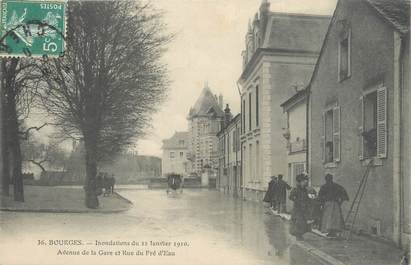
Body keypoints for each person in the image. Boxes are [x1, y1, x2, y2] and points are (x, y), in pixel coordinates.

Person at [318, 173, 349, 238]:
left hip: (328, 204)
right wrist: (341, 201)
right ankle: (333, 232)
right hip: (335, 204)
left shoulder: (324, 187)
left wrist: (321, 204)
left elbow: (320, 197)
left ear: (326, 179)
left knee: (329, 218)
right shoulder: (337, 186)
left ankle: (331, 232)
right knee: (335, 218)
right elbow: (344, 193)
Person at [289, 174, 312, 241]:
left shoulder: (304, 190)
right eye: (304, 181)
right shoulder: (296, 189)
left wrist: (308, 201)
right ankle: (298, 235)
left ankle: (300, 234)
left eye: (306, 181)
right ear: (300, 182)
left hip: (304, 208)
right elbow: (291, 197)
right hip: (298, 209)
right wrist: (297, 201)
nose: (306, 182)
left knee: (304, 222)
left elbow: (306, 198)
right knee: (298, 222)